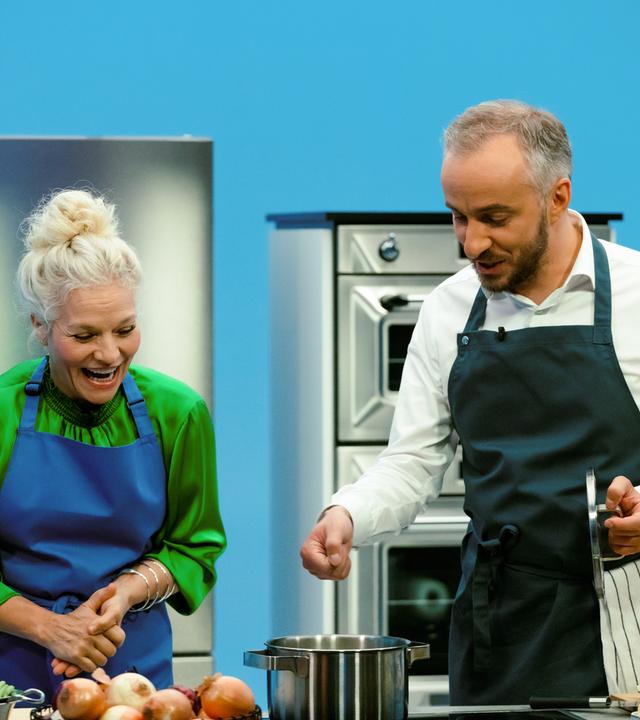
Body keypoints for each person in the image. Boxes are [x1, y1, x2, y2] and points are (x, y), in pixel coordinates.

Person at [300, 99, 640, 704]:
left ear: (558, 197)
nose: (472, 242)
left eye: (494, 218)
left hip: (628, 612)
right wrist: (346, 513)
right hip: (503, 622)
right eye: (458, 217)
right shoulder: (448, 309)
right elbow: (412, 463)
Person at [0, 189, 226, 698]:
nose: (109, 354)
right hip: (11, 672)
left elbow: (195, 547)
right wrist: (52, 629)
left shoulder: (178, 413)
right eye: (84, 336)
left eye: (125, 329)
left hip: (132, 673)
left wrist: (126, 591)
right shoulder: (2, 410)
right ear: (40, 327)